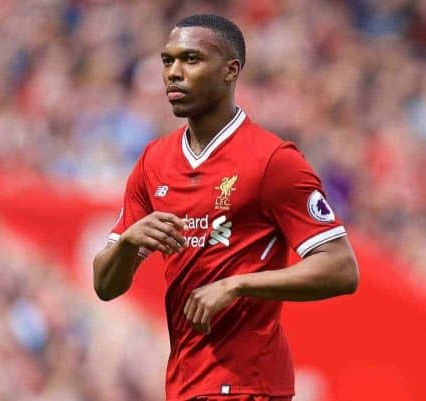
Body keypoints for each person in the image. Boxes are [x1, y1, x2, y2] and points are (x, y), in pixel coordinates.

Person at [92, 14, 359, 401]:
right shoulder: (154, 162)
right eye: (168, 61)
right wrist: (129, 242)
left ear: (231, 70)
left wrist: (238, 284)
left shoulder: (272, 160)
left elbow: (341, 267)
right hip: (185, 385)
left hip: (251, 386)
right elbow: (104, 286)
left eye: (191, 60)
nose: (174, 73)